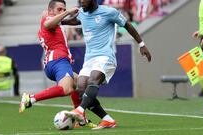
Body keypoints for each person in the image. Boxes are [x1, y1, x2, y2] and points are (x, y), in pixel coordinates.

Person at [62, 0, 151, 130]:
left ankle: (80, 110)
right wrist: (59, 21)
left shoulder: (109, 12)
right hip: (89, 59)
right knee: (81, 88)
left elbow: (128, 25)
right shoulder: (82, 12)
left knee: (93, 80)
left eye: (84, 0)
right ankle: (107, 120)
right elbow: (76, 20)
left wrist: (142, 45)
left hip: (105, 56)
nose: (81, 2)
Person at [18, 0, 96, 128]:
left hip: (55, 62)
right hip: (57, 60)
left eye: (64, 9)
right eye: (59, 9)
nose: (62, 11)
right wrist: (68, 12)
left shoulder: (53, 21)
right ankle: (31, 98)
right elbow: (49, 22)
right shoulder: (48, 20)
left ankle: (80, 119)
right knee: (67, 88)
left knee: (79, 84)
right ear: (50, 11)